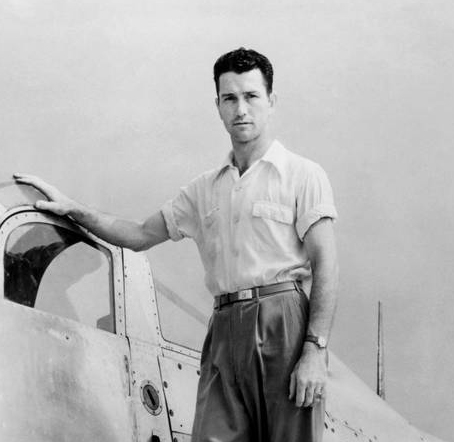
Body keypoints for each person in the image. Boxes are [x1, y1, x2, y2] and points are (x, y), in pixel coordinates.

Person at [14, 47, 339, 442]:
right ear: (217, 106)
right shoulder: (203, 189)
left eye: (251, 96)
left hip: (282, 321)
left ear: (271, 101)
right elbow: (138, 234)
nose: (241, 110)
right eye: (230, 98)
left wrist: (314, 349)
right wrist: (74, 208)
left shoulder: (302, 175)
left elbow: (327, 265)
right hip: (223, 328)